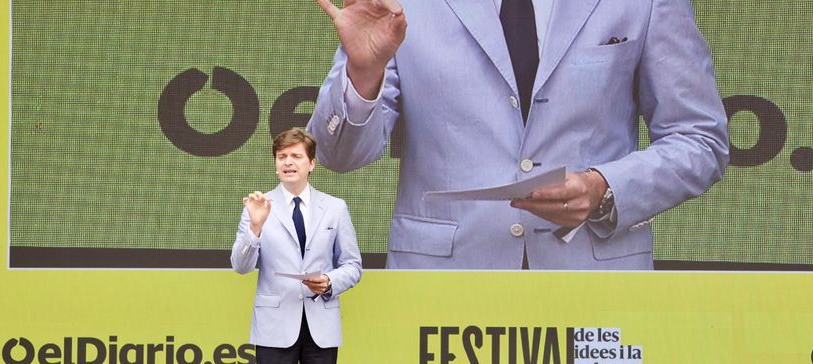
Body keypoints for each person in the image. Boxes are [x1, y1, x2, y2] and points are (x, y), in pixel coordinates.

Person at [308, 0, 730, 270]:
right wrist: (363, 72)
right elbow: (337, 154)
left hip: (595, 293)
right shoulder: (399, 5)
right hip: (442, 295)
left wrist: (603, 188)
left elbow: (700, 138)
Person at [230, 128, 362, 364]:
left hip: (321, 321)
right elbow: (240, 265)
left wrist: (330, 281)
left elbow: (353, 265)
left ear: (311, 163)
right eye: (282, 157)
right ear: (275, 165)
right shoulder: (258, 206)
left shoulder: (334, 208)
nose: (288, 163)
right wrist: (255, 227)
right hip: (275, 325)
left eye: (296, 156)